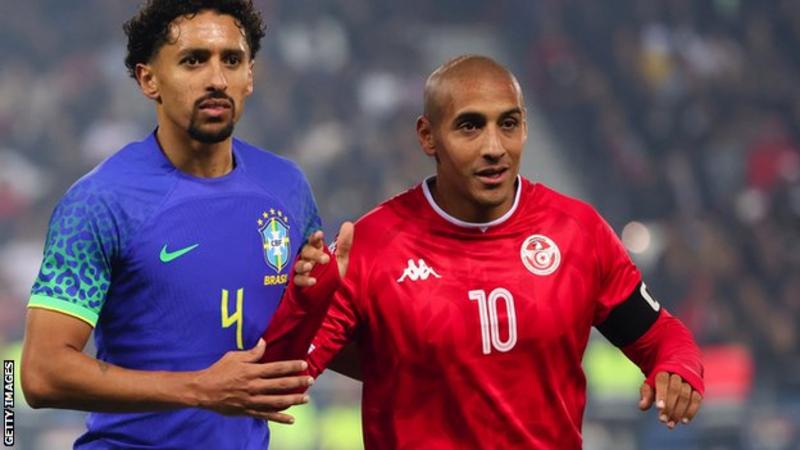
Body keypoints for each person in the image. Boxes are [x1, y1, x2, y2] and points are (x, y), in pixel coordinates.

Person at [279, 55, 705, 449]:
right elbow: (282, 371)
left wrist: (678, 366)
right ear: (427, 136)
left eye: (508, 124)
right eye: (470, 126)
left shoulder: (576, 232)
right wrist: (305, 302)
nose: (494, 147)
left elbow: (662, 335)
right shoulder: (372, 244)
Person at [20, 1, 350, 448]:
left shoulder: (287, 187)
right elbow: (41, 374)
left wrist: (318, 299)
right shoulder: (100, 201)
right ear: (148, 79)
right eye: (193, 60)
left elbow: (284, 353)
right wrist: (199, 389)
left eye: (231, 60)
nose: (217, 79)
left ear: (250, 76)